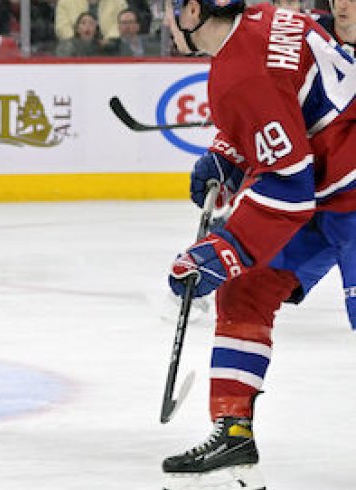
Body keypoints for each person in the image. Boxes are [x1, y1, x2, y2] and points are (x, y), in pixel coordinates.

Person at [162, 0, 356, 487]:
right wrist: (229, 151)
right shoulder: (268, 19)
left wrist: (224, 251)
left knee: (237, 269)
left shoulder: (239, 75)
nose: (164, 21)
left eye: (168, 9)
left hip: (340, 184)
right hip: (329, 184)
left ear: (192, 12)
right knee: (245, 290)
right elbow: (290, 102)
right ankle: (233, 433)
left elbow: (287, 189)